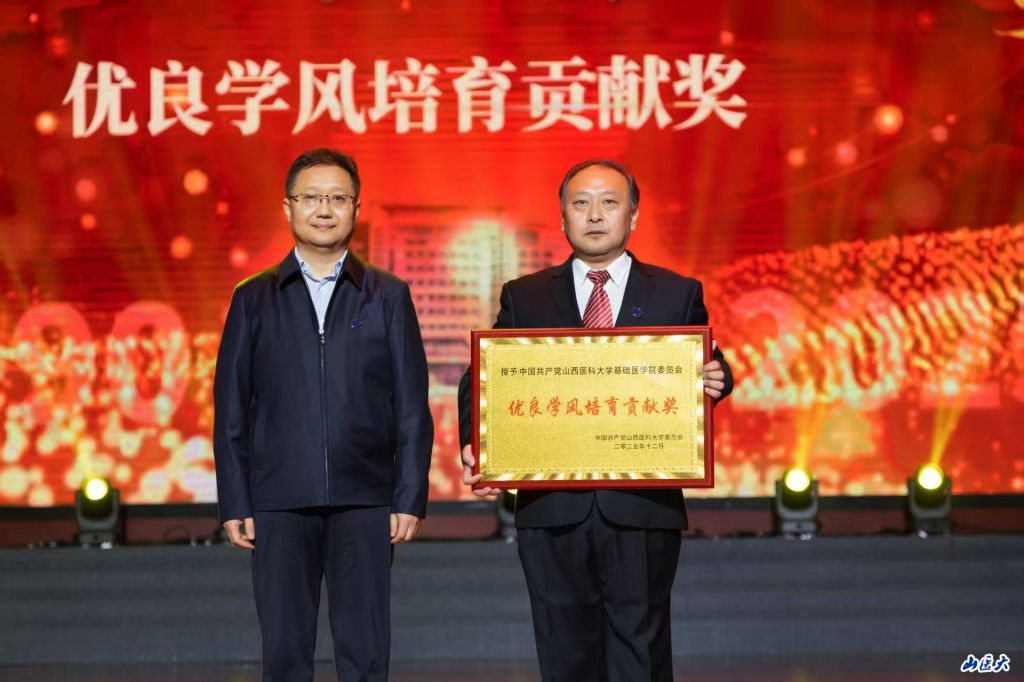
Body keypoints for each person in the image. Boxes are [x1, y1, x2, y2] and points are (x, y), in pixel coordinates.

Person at [458, 159, 734, 681]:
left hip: (642, 504)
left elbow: (707, 364)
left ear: (633, 215)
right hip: (552, 505)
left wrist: (719, 378)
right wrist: (479, 446)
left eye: (609, 202)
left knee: (641, 650)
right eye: (580, 203)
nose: (595, 215)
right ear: (563, 217)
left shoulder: (677, 292)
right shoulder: (526, 294)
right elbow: (484, 376)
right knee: (564, 651)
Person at [214, 148, 433, 682]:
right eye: (311, 197)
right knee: (285, 653)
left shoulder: (387, 295)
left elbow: (411, 405)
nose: (324, 209)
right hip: (278, 500)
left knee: (365, 652)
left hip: (366, 498)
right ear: (287, 207)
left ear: (356, 208)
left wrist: (408, 495)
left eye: (338, 198)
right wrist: (236, 499)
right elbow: (232, 409)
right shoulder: (253, 298)